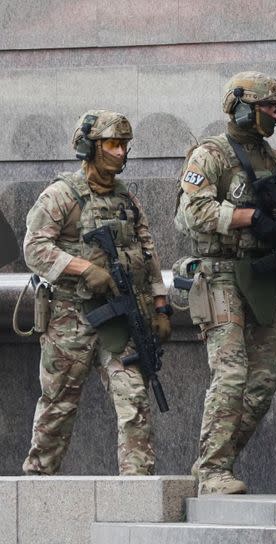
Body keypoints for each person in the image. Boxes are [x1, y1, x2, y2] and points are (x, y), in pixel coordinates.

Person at [22, 110, 171, 476]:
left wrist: (160, 305)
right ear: (90, 146)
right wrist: (85, 269)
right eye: (112, 144)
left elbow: (148, 252)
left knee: (134, 399)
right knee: (58, 405)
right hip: (71, 318)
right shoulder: (62, 195)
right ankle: (35, 487)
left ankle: (136, 489)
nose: (121, 152)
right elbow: (34, 248)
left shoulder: (126, 200)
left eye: (124, 145)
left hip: (120, 317)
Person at [175, 71, 276, 495]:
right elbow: (195, 214)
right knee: (231, 374)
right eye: (269, 106)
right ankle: (213, 472)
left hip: (261, 277)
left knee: (262, 384)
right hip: (220, 273)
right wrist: (246, 217)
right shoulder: (210, 155)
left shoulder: (275, 161)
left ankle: (214, 460)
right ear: (243, 107)